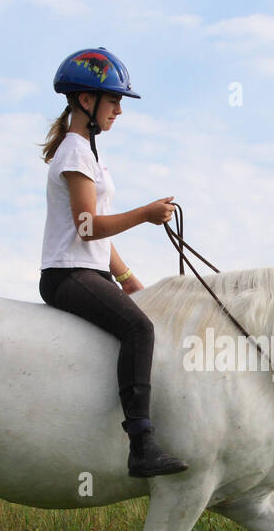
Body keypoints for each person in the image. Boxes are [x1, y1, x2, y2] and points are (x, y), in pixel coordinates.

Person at [38, 47, 189, 478]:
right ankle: (140, 444)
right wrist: (143, 214)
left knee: (141, 314)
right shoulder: (74, 152)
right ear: (86, 101)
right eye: (114, 100)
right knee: (139, 329)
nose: (119, 110)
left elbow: (96, 234)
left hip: (89, 270)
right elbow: (87, 227)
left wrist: (127, 279)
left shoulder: (88, 153)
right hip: (68, 273)